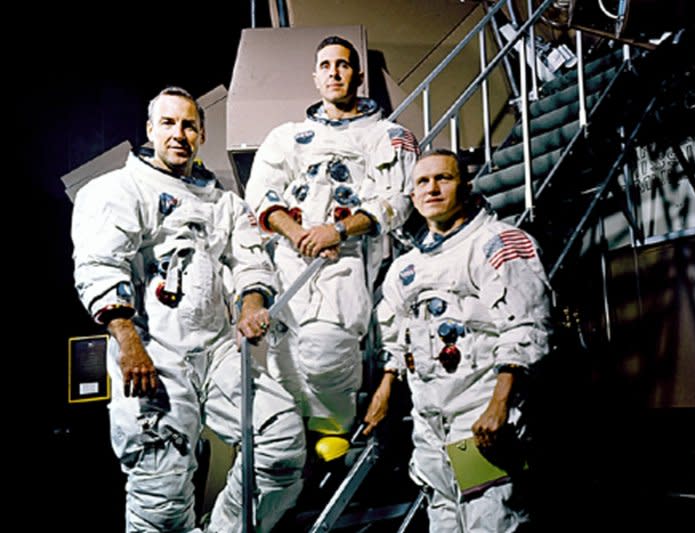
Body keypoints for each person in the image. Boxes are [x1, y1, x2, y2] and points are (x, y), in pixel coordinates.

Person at [72, 87, 306, 532]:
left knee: (280, 444)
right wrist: (128, 344)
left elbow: (250, 262)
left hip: (217, 351)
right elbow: (102, 265)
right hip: (154, 354)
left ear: (201, 134)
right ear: (149, 130)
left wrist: (250, 305)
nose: (179, 134)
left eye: (189, 125)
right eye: (168, 124)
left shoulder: (224, 204)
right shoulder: (118, 190)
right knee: (160, 498)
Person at [244, 36, 418, 456]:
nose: (334, 73)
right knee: (281, 362)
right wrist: (297, 234)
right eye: (325, 66)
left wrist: (336, 232)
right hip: (288, 259)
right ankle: (295, 442)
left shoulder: (389, 135)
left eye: (342, 65)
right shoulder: (288, 136)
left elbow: (395, 200)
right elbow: (261, 192)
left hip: (347, 260)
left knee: (326, 351)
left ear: (357, 76)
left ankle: (333, 429)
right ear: (316, 77)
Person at [362, 149, 552, 532]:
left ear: (463, 187)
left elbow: (526, 327)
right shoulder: (405, 268)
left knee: (489, 517)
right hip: (430, 419)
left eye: (442, 179)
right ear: (412, 196)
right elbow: (399, 336)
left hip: (477, 413)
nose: (431, 188)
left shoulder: (496, 243)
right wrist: (385, 388)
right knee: (444, 518)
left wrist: (499, 405)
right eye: (422, 182)